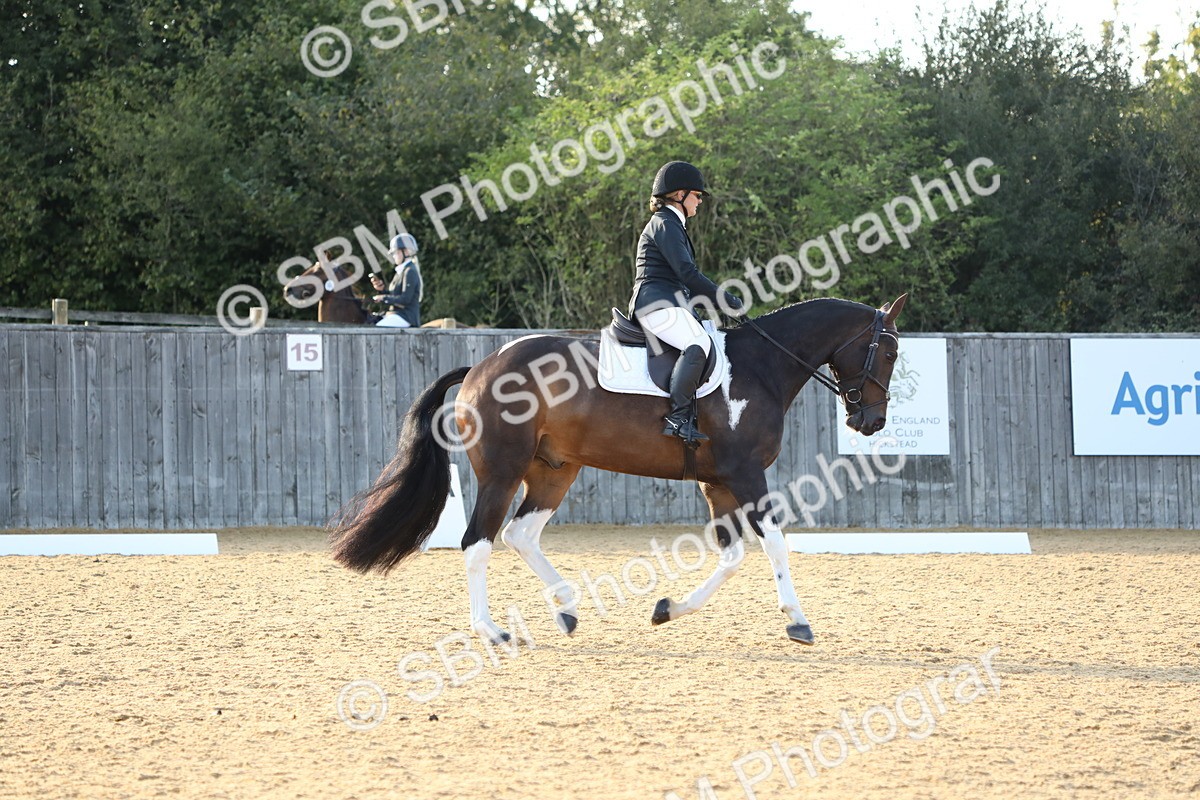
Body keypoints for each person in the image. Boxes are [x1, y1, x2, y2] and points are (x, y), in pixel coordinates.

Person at [628, 161, 743, 443]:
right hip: (654, 304)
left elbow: (680, 282)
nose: (700, 201)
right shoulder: (665, 223)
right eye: (697, 195)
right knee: (698, 344)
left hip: (667, 301)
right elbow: (687, 274)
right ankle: (677, 418)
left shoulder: (672, 225)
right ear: (680, 194)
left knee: (705, 337)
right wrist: (724, 300)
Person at [371, 233, 423, 328]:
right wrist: (382, 290)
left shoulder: (410, 271)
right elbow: (395, 295)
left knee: (377, 329)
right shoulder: (401, 271)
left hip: (406, 317)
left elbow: (405, 299)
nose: (394, 256)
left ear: (406, 252)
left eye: (396, 252)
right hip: (397, 315)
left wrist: (384, 297)